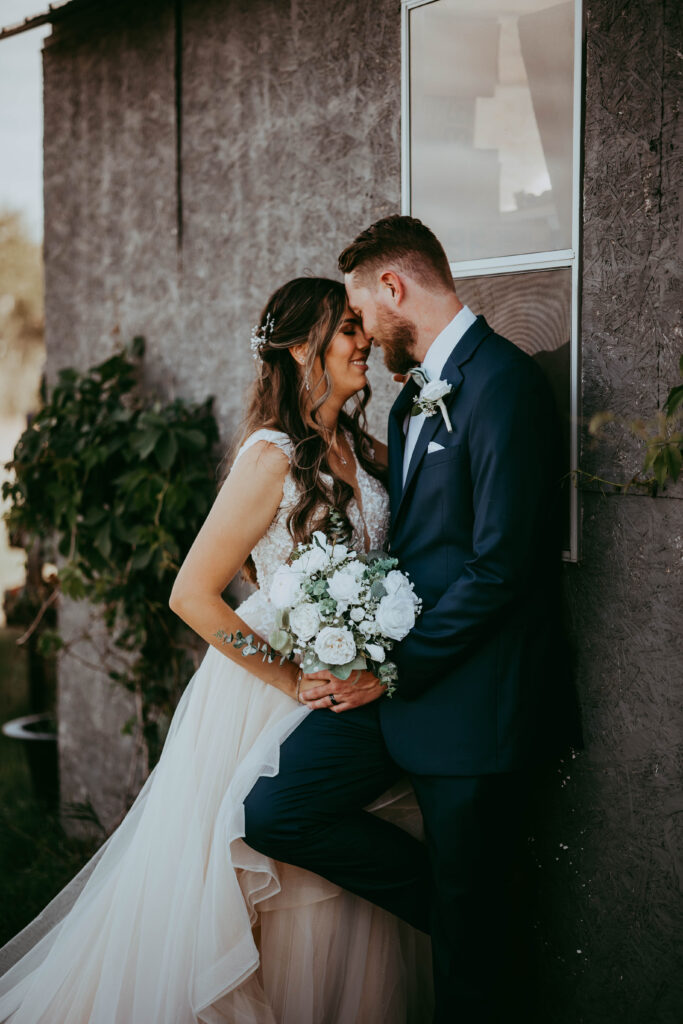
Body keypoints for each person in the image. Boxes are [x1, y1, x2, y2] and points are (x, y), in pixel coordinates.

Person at [0, 276, 432, 1024]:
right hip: (267, 687)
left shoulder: (361, 447)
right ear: (303, 349)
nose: (364, 341)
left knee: (331, 867)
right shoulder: (270, 456)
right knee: (264, 866)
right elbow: (192, 593)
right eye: (347, 331)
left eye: (362, 329)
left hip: (349, 678)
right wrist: (289, 673)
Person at [244, 217, 581, 1024]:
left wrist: (389, 668)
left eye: (362, 311)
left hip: (475, 704)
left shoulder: (502, 384)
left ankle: (476, 925)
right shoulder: (405, 405)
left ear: (394, 288)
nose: (362, 335)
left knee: (469, 967)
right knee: (276, 810)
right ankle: (471, 914)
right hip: (405, 688)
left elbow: (501, 564)